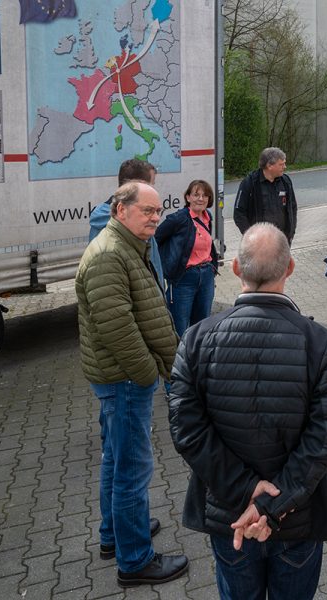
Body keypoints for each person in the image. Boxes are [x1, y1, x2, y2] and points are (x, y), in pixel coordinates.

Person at [168, 223, 327, 600]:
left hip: (229, 516)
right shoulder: (321, 345)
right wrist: (270, 504)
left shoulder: (196, 340)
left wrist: (247, 493)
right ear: (290, 268)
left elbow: (186, 430)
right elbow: (324, 439)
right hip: (296, 518)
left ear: (235, 268)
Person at [76, 181, 188, 587]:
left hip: (122, 378)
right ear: (121, 209)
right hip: (124, 380)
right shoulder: (109, 254)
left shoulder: (125, 245)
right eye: (147, 211)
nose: (156, 218)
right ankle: (135, 560)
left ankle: (114, 535)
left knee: (116, 461)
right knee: (131, 471)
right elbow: (117, 327)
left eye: (158, 212)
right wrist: (145, 374)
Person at [155, 179, 220, 337]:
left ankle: (198, 358)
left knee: (202, 325)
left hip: (206, 277)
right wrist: (167, 263)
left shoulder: (207, 216)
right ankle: (180, 360)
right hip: (184, 279)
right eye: (196, 194)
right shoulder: (179, 218)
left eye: (205, 195)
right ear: (188, 197)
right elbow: (156, 238)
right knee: (180, 327)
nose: (201, 198)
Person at [88, 158, 164, 288]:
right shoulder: (107, 236)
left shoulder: (140, 223)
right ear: (138, 185)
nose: (156, 218)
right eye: (151, 184)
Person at [233, 147, 298, 244]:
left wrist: (291, 233)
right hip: (259, 244)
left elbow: (292, 207)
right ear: (269, 165)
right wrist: (250, 236)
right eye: (281, 164)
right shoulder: (250, 183)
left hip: (282, 242)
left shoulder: (286, 181)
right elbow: (239, 213)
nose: (285, 167)